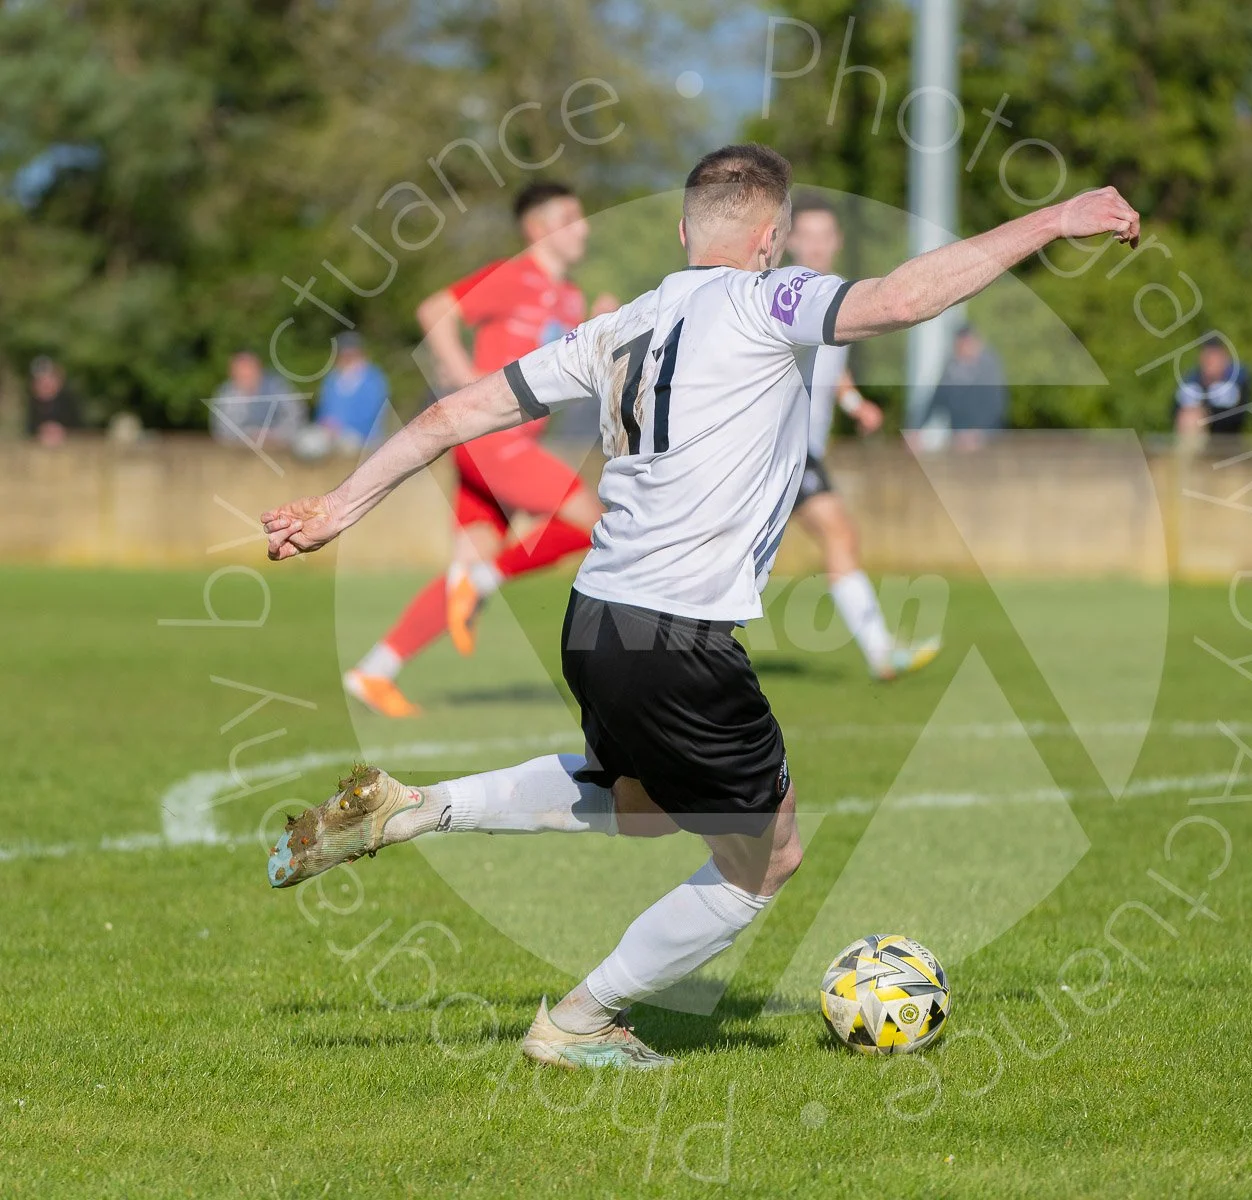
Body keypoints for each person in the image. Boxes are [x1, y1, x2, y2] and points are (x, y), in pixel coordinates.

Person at [260, 144, 1140, 1070]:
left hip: (593, 618)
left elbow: (451, 415)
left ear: (683, 232)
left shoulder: (618, 327)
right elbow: (901, 299)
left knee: (640, 801)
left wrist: (335, 509)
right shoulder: (771, 299)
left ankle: (413, 809)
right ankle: (578, 1021)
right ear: (771, 239)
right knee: (767, 858)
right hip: (678, 638)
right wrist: (1051, 220)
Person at [342, 182, 610, 719]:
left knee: (464, 570)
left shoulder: (570, 296)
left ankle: (375, 669)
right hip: (493, 441)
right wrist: (464, 378)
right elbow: (434, 309)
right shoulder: (513, 275)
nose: (583, 227)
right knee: (594, 522)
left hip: (503, 447)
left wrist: (600, 325)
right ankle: (484, 580)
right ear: (537, 228)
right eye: (570, 217)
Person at [784, 195, 938, 680]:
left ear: (837, 242)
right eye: (805, 235)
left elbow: (835, 372)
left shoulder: (838, 298)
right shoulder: (782, 298)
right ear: (789, 241)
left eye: (823, 236)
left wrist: (855, 405)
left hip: (802, 450)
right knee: (837, 533)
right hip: (778, 450)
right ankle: (879, 650)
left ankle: (880, 649)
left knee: (823, 538)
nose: (815, 245)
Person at [926, 324, 1009, 450]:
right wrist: (918, 429)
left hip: (986, 438)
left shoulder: (989, 365)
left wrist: (977, 432)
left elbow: (995, 404)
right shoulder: (952, 366)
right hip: (959, 436)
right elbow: (937, 399)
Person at [209, 350, 305, 446]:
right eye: (240, 372)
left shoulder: (278, 387)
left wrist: (274, 435)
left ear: (260, 369)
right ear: (232, 373)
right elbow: (222, 430)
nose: (246, 376)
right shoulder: (226, 393)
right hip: (240, 449)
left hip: (282, 445)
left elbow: (297, 417)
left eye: (249, 369)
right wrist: (251, 435)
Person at [314, 332, 389, 451]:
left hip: (362, 436)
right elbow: (322, 408)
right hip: (328, 433)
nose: (347, 358)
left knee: (346, 446)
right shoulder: (332, 378)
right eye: (344, 354)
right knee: (308, 443)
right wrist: (326, 424)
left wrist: (341, 428)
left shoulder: (373, 379)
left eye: (351, 354)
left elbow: (372, 413)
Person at [26, 357, 84, 446]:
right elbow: (29, 431)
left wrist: (63, 432)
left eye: (49, 379)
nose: (45, 384)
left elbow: (81, 429)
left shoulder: (69, 400)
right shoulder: (33, 404)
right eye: (40, 381)